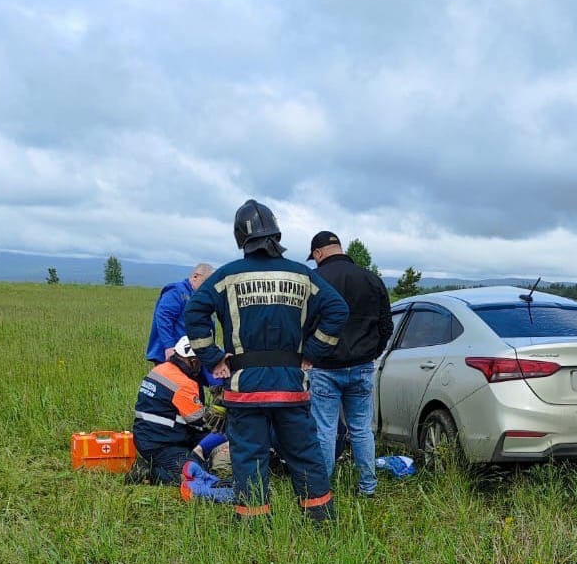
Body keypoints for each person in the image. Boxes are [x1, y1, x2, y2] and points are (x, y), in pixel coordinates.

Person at [183, 200, 349, 522]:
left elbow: (194, 312)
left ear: (240, 237)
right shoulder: (302, 275)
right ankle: (320, 519)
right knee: (304, 454)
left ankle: (254, 522)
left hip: (245, 388)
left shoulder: (226, 276)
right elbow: (338, 309)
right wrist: (313, 352)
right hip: (291, 385)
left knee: (249, 457)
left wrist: (213, 358)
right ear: (275, 233)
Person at [306, 231, 393, 497]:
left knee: (325, 430)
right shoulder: (371, 279)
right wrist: (373, 352)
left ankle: (322, 489)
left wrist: (309, 355)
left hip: (324, 367)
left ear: (318, 253)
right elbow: (386, 325)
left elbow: (304, 324)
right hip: (363, 365)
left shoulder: (315, 280)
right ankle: (368, 486)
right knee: (361, 429)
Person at [129, 337, 226, 485]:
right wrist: (223, 413)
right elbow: (202, 422)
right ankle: (148, 473)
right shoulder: (183, 384)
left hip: (149, 435)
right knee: (195, 472)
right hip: (160, 445)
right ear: (194, 362)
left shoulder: (161, 368)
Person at [146, 263, 214, 364]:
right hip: (173, 355)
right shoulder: (176, 291)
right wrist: (169, 347)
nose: (208, 288)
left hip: (192, 356)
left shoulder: (201, 298)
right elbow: (164, 317)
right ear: (195, 277)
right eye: (206, 283)